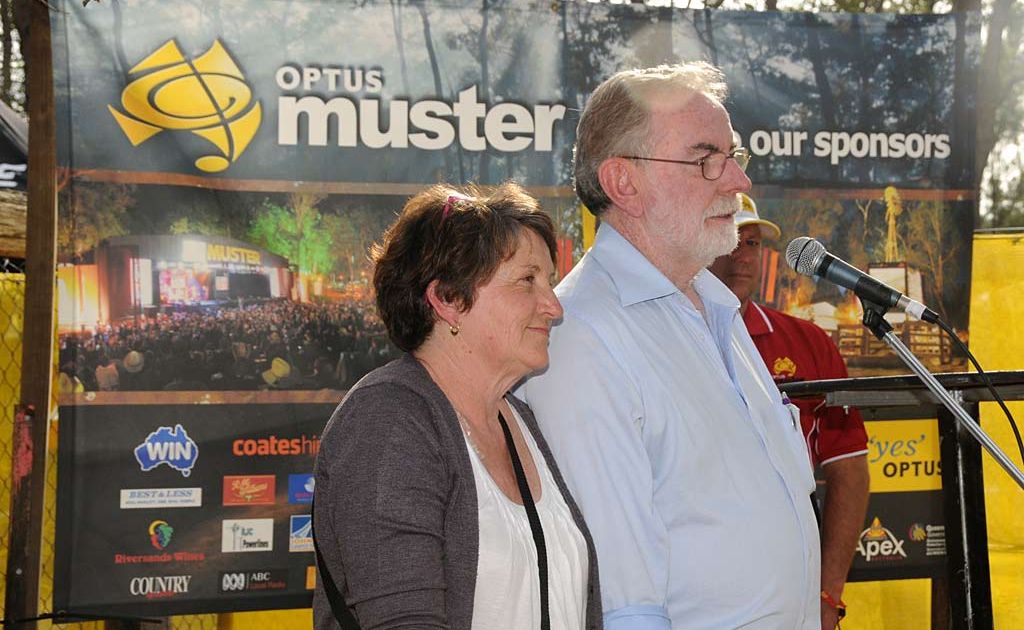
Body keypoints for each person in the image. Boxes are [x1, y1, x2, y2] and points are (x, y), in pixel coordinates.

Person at [520, 62, 820, 629]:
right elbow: (622, 602)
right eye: (707, 159)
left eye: (734, 156)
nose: (739, 181)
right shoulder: (580, 334)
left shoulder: (717, 306)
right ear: (624, 183)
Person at [312, 182, 601, 630]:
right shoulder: (388, 420)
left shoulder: (520, 419)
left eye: (549, 280)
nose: (553, 306)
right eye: (527, 280)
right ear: (447, 299)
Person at [709, 193, 870, 630]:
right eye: (731, 241)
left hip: (793, 586)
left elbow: (849, 469)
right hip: (700, 587)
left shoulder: (810, 343)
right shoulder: (665, 340)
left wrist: (828, 594)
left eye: (752, 243)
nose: (743, 256)